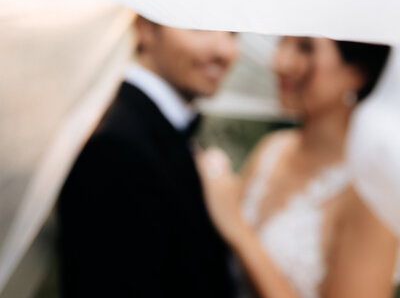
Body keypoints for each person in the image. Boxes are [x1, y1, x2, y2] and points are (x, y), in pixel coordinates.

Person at [197, 36, 398, 298]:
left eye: (306, 47)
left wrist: (237, 228)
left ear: (357, 73)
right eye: (282, 43)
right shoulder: (271, 148)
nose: (280, 62)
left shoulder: (372, 193)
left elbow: (232, 223)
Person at [57, 15, 239, 298]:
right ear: (145, 28)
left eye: (233, 32)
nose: (225, 50)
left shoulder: (158, 129)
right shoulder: (115, 147)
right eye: (202, 26)